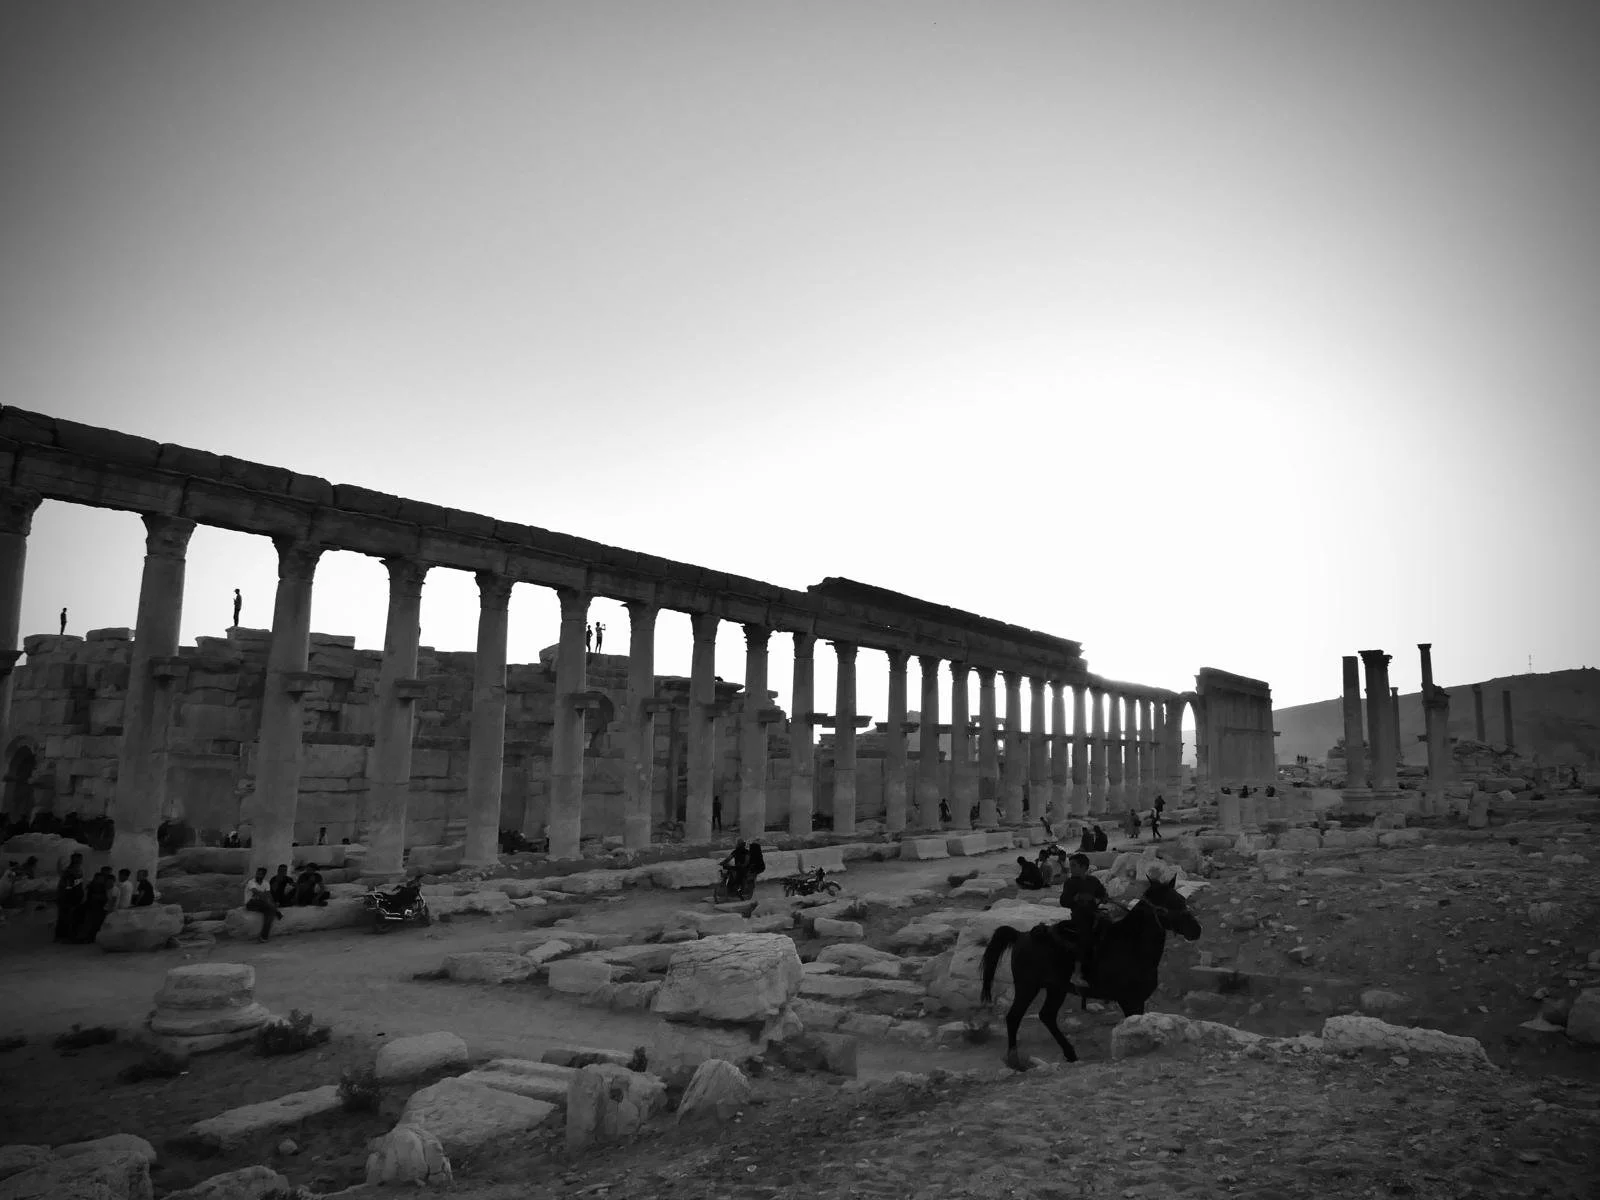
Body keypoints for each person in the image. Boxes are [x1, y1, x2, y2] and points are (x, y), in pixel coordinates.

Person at [1058, 852, 1110, 972]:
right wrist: (1076, 898)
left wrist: (1103, 897)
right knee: (1084, 938)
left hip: (1095, 913)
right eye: (1071, 865)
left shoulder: (1093, 881)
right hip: (1080, 916)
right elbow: (1063, 901)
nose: (1071, 869)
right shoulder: (1070, 883)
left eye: (1073, 866)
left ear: (1083, 867)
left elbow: (1102, 894)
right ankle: (1077, 972)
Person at [245, 867, 280, 942]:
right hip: (251, 903)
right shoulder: (251, 882)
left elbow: (269, 895)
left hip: (263, 904)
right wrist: (269, 901)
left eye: (260, 874)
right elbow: (257, 892)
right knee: (268, 905)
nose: (258, 875)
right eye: (257, 873)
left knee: (270, 913)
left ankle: (264, 937)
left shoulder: (266, 883)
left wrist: (272, 902)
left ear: (264, 875)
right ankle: (276, 911)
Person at [54, 852, 84, 942]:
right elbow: (68, 886)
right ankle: (63, 936)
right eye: (78, 859)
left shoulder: (77, 869)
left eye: (80, 859)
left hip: (71, 896)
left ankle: (64, 935)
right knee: (66, 917)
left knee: (68, 916)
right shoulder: (70, 871)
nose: (80, 861)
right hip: (67, 897)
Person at [77, 867, 112, 942]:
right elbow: (93, 896)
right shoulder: (94, 886)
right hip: (93, 907)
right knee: (90, 923)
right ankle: (87, 938)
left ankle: (90, 937)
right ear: (97, 878)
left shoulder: (99, 885)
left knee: (94, 924)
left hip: (97, 908)